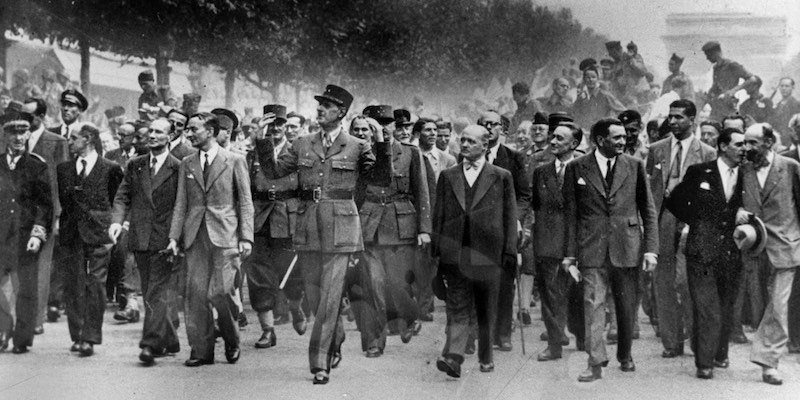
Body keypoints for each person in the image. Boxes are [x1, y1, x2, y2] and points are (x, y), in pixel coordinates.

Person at [256, 84, 390, 384]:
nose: (319, 110)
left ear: (340, 112)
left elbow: (380, 178)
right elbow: (273, 172)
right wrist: (262, 139)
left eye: (326, 106)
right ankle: (335, 337)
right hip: (308, 226)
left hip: (341, 228)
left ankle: (320, 363)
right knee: (316, 297)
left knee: (330, 298)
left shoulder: (357, 145)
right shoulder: (303, 143)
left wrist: (381, 143)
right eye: (318, 106)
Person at [562, 118, 658, 382]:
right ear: (599, 140)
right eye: (616, 137)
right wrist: (570, 255)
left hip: (627, 247)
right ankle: (595, 362)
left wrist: (651, 250)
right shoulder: (577, 168)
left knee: (626, 306)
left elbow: (647, 211)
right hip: (591, 248)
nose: (623, 141)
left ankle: (625, 354)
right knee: (593, 303)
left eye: (624, 136)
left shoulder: (635, 166)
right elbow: (571, 215)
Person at [166, 112, 254, 367]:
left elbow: (245, 202)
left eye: (194, 129)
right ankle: (201, 351)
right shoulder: (187, 163)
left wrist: (246, 237)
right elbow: (181, 204)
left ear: (211, 131)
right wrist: (174, 237)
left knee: (221, 291)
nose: (189, 133)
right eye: (189, 130)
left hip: (226, 236)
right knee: (195, 294)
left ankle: (231, 338)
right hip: (195, 236)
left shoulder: (235, 160)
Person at [433, 124, 518, 378]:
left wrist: (510, 252)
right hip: (455, 252)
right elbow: (439, 215)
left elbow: (509, 215)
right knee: (457, 304)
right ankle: (454, 357)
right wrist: (437, 254)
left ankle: (486, 355)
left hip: (489, 252)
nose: (465, 145)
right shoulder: (448, 176)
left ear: (486, 145)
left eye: (471, 141)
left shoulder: (501, 176)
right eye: (463, 140)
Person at [666, 127, 745, 379]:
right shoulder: (700, 172)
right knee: (707, 306)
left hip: (731, 250)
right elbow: (674, 200)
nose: (744, 149)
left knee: (725, 304)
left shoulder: (745, 175)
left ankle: (719, 353)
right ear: (723, 146)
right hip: (701, 249)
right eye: (739, 144)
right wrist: (697, 222)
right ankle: (704, 362)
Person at [354, 116, 431, 357]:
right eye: (377, 125)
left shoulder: (409, 152)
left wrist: (424, 229)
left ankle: (409, 317)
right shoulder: (360, 154)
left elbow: (422, 191)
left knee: (399, 284)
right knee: (374, 286)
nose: (382, 129)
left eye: (386, 125)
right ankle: (377, 340)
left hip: (400, 226)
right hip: (370, 228)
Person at [108, 118, 181, 365]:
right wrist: (117, 221)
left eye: (159, 132)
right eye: (150, 131)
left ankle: (149, 343)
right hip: (140, 237)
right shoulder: (135, 165)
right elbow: (122, 196)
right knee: (150, 288)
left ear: (169, 137)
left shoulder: (178, 167)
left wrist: (176, 237)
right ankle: (170, 338)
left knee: (156, 291)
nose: (152, 135)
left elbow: (182, 206)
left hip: (164, 238)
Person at [647, 100, 716, 358]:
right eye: (671, 117)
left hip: (692, 220)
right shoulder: (656, 150)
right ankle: (671, 341)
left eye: (678, 117)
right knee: (662, 281)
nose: (673, 122)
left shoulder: (707, 152)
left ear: (692, 121)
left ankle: (697, 338)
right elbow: (650, 190)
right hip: (663, 217)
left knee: (689, 282)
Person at [737, 123, 800, 385]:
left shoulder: (790, 167)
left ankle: (768, 362)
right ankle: (766, 352)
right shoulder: (743, 170)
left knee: (778, 304)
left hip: (787, 246)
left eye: (753, 143)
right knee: (763, 305)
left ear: (769, 142)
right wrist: (737, 213)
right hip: (754, 246)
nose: (747, 148)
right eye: (745, 143)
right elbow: (734, 201)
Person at [57, 123, 124, 357]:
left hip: (99, 233)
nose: (69, 141)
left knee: (95, 283)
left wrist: (114, 223)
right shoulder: (63, 169)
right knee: (73, 284)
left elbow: (117, 199)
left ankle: (90, 337)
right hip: (71, 233)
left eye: (74, 138)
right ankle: (77, 335)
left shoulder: (111, 168)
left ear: (88, 139)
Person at [243, 104, 307, 351]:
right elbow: (246, 190)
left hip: (288, 219)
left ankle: (294, 304)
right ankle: (267, 330)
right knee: (258, 276)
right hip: (259, 219)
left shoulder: (298, 153)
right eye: (270, 125)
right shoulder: (252, 155)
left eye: (280, 124)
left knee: (291, 272)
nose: (276, 129)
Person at [530, 122, 585, 362]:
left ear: (573, 144)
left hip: (580, 241)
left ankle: (581, 336)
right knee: (550, 294)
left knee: (577, 293)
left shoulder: (585, 169)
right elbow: (536, 206)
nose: (552, 142)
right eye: (552, 137)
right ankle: (554, 344)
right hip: (548, 241)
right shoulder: (541, 172)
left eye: (559, 139)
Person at [478, 110, 531, 352]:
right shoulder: (469, 154)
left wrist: (516, 220)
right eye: (484, 124)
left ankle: (503, 333)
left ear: (502, 129)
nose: (489, 129)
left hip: (504, 227)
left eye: (494, 125)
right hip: (478, 227)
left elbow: (524, 195)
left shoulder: (513, 157)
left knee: (504, 280)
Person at [0, 111, 51, 353]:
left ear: (29, 134)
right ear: (5, 135)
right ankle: (2, 328)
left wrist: (37, 234)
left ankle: (22, 337)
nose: (19, 138)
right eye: (13, 133)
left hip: (25, 236)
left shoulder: (36, 166)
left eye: (23, 132)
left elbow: (44, 204)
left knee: (27, 288)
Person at [20, 98, 68, 334]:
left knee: (41, 267)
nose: (24, 121)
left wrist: (59, 215)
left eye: (29, 117)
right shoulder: (14, 137)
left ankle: (36, 320)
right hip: (19, 212)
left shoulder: (56, 142)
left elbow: (62, 181)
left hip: (46, 210)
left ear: (40, 117)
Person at [702, 41, 758, 122]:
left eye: (708, 55)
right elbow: (715, 86)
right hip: (717, 105)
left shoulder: (732, 65)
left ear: (716, 53)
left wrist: (734, 90)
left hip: (729, 106)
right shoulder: (716, 68)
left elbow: (752, 79)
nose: (707, 58)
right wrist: (707, 99)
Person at [573, 65, 626, 138]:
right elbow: (574, 114)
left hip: (602, 133)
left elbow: (622, 111)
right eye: (588, 77)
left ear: (597, 78)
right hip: (585, 134)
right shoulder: (581, 97)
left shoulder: (605, 95)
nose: (591, 80)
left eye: (593, 77)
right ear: (584, 79)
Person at [770, 78, 800, 148]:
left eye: (787, 86)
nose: (784, 88)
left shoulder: (796, 104)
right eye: (782, 86)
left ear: (793, 87)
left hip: (790, 142)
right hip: (777, 141)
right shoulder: (777, 105)